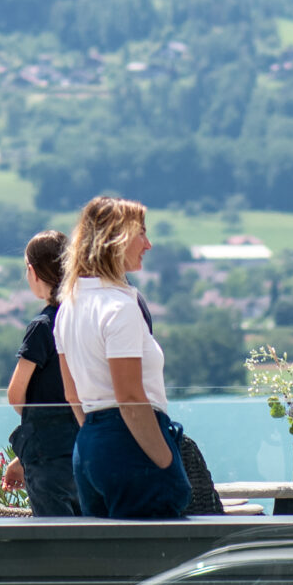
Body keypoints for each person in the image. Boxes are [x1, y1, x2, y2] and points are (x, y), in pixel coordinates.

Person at [55, 196, 191, 520]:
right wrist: (166, 461)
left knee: (108, 564)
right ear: (115, 239)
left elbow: (72, 394)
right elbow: (129, 397)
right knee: (154, 561)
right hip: (130, 443)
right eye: (140, 233)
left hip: (89, 446)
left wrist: (99, 440)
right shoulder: (119, 307)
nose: (148, 243)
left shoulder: (68, 308)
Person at [1, 231, 79, 515]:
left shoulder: (42, 326)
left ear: (33, 271)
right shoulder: (82, 319)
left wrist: (37, 437)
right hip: (85, 449)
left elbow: (15, 394)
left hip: (48, 459)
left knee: (55, 545)